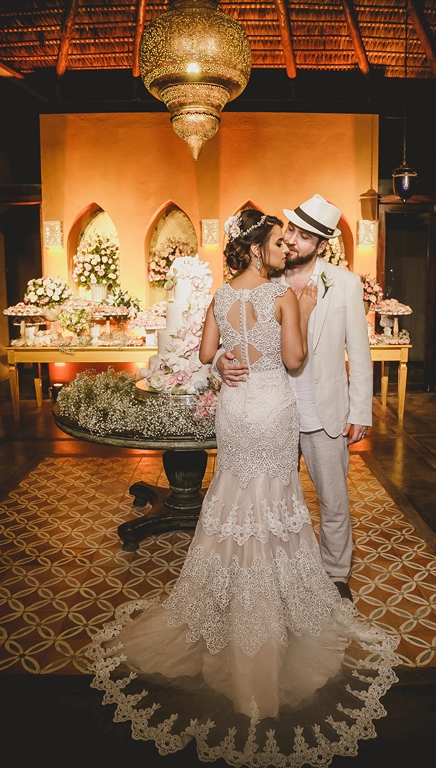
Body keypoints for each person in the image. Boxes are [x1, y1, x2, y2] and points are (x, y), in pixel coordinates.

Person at [89, 210, 398, 767]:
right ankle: (276, 606)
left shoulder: (220, 299)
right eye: (277, 241)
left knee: (231, 500)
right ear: (258, 249)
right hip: (274, 408)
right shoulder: (282, 296)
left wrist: (225, 362)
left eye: (289, 240)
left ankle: (227, 600)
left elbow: (206, 357)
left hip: (235, 413)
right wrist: (300, 313)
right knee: (276, 504)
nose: (284, 247)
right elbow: (295, 358)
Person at [217, 195, 372, 603]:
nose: (292, 241)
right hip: (274, 414)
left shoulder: (345, 284)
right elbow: (235, 336)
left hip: (326, 412)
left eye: (304, 237)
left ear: (321, 245)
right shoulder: (266, 283)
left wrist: (361, 411)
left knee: (332, 500)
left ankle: (336, 574)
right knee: (274, 499)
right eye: (290, 232)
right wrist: (220, 361)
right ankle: (280, 576)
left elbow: (359, 350)